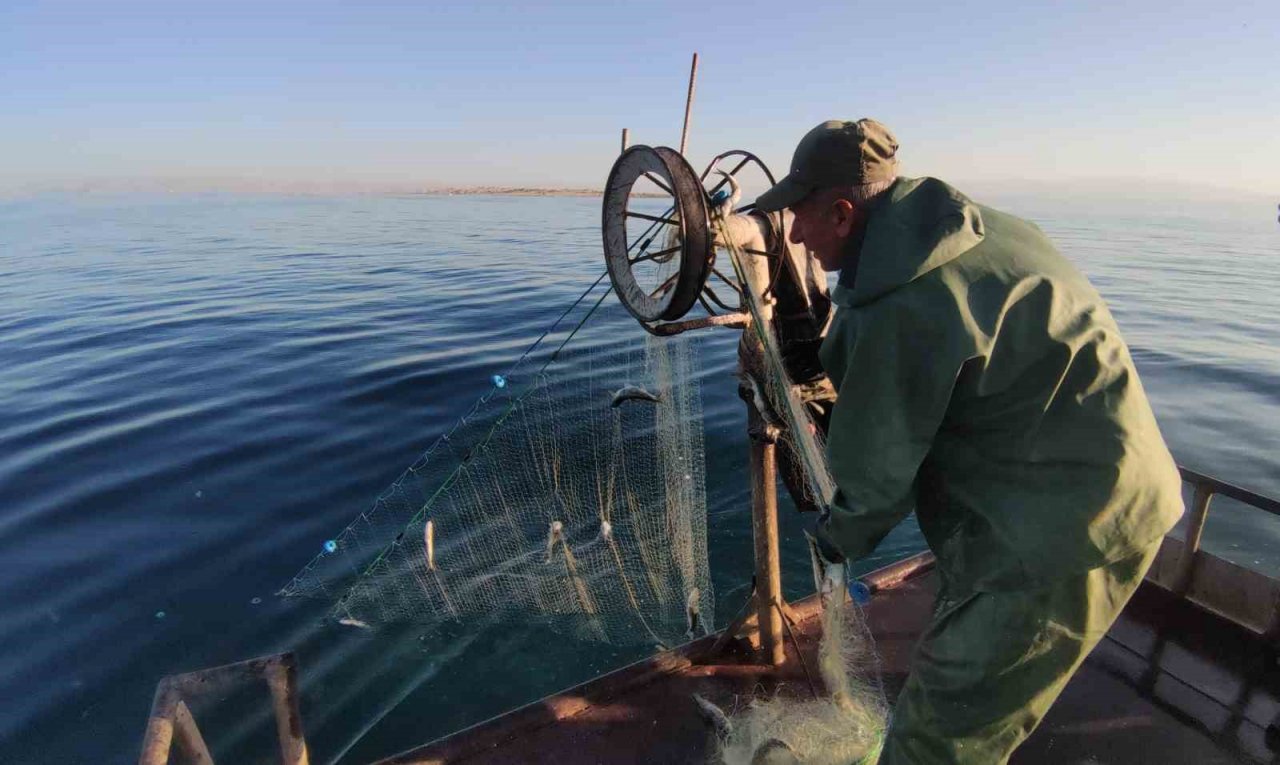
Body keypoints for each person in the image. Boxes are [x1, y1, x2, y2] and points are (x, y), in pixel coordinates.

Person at [753, 119, 1185, 764]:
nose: (792, 235)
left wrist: (833, 540)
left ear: (843, 213)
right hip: (1113, 484)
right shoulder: (990, 230)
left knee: (940, 736)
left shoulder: (894, 310)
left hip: (1059, 539)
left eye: (801, 217)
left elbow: (875, 480)